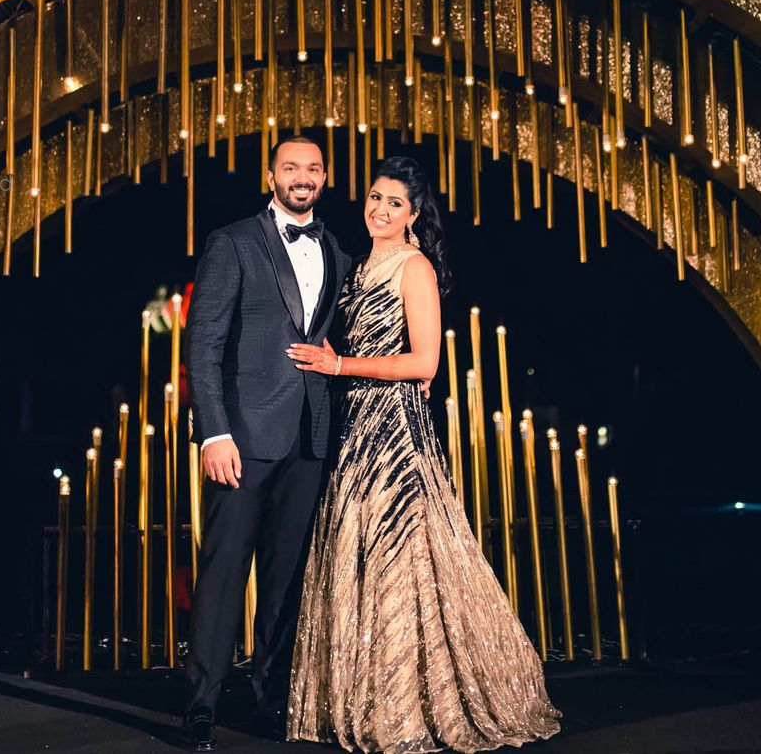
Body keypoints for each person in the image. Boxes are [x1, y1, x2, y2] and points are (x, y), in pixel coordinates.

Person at [285, 155, 561, 753]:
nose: (379, 210)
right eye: (374, 198)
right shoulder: (359, 267)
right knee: (359, 550)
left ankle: (407, 704)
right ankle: (366, 696)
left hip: (394, 433)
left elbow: (425, 363)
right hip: (355, 426)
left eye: (393, 204)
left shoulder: (415, 268)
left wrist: (341, 364)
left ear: (413, 216)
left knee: (402, 555)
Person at [182, 137, 350, 752]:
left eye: (311, 169)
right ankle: (201, 704)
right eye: (290, 168)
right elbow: (203, 345)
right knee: (223, 573)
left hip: (311, 438)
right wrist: (214, 432)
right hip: (242, 440)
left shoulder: (337, 249)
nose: (301, 178)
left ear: (324, 178)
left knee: (286, 581)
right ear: (270, 176)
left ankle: (270, 700)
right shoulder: (231, 242)